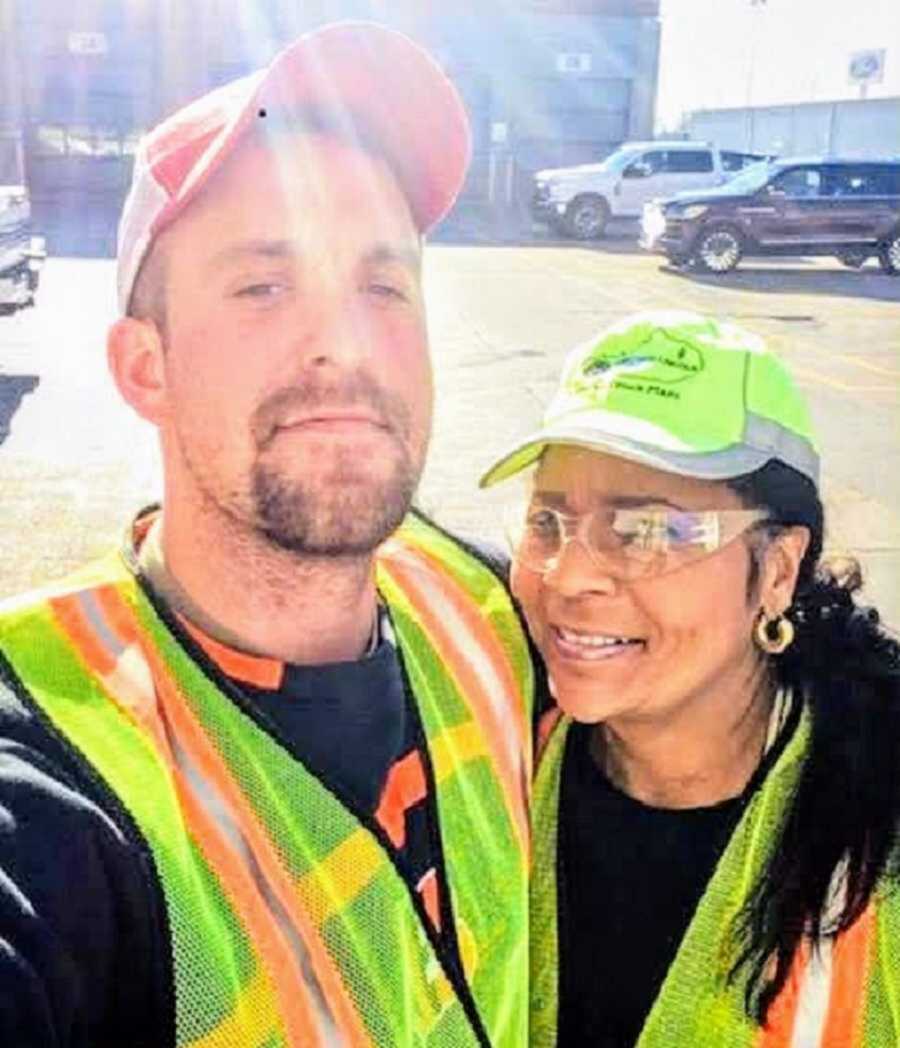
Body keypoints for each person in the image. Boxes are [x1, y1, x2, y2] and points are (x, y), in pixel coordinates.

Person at [0, 23, 535, 1047]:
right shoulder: (54, 764)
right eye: (262, 284)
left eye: (383, 284)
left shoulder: (490, 609)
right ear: (144, 367)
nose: (343, 339)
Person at [480, 312, 900, 1047]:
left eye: (648, 530)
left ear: (775, 570)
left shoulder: (874, 839)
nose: (569, 577)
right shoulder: (490, 758)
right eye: (549, 520)